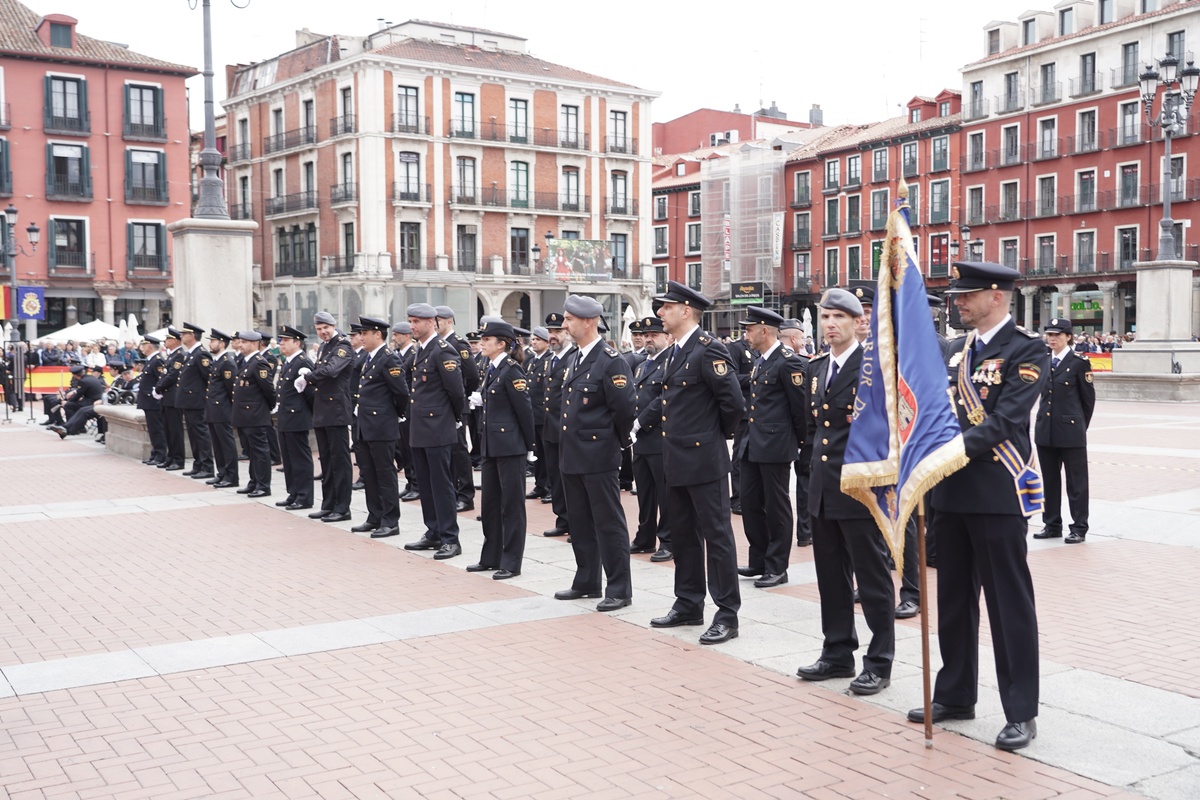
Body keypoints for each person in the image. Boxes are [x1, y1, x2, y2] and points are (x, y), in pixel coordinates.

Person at [908, 261, 1048, 752]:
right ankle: (955, 693)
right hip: (950, 493)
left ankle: (1020, 711)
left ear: (997, 295)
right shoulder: (955, 351)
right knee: (954, 601)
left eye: (968, 295)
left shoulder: (1026, 349)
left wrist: (948, 450)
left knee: (1009, 604)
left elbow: (1008, 420)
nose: (959, 302)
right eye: (957, 296)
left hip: (996, 493)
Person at [796, 289, 895, 697]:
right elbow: (814, 430)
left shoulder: (874, 368)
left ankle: (879, 661)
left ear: (858, 322)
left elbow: (889, 430)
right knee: (831, 579)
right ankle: (837, 651)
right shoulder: (818, 368)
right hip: (824, 488)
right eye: (825, 317)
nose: (830, 324)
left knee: (871, 579)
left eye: (839, 317)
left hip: (860, 489)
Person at [650, 281, 745, 645]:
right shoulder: (675, 352)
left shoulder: (709, 350)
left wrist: (711, 437)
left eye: (666, 307)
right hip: (675, 458)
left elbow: (733, 404)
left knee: (717, 537)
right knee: (684, 535)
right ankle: (688, 601)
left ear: (685, 310)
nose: (660, 313)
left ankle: (727, 614)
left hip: (704, 459)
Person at [553, 295, 636, 611]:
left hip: (598, 456)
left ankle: (619, 588)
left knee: (608, 523)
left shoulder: (610, 359)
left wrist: (609, 443)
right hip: (573, 455)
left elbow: (625, 409)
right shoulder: (575, 357)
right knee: (581, 523)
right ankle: (587, 580)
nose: (564, 324)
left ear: (588, 321)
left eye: (569, 319)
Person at [734, 306, 807, 589]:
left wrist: (797, 443)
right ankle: (759, 559)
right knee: (750, 503)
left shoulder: (788, 362)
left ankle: (777, 566)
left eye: (749, 329)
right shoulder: (760, 360)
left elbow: (799, 409)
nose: (746, 335)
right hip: (753, 442)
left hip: (776, 444)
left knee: (776, 506)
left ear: (765, 331)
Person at [467, 320, 535, 579]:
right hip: (492, 446)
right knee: (491, 504)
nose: (482, 343)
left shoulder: (512, 371)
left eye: (486, 340)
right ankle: (490, 556)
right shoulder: (491, 368)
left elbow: (524, 411)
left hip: (510, 447)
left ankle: (511, 561)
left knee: (512, 506)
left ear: (501, 344)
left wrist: (530, 446)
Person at [403, 303, 467, 560]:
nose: (412, 326)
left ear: (432, 322)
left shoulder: (442, 351)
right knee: (426, 485)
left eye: (417, 321)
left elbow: (456, 392)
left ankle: (450, 538)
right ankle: (434, 532)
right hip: (420, 427)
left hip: (438, 427)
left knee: (441, 484)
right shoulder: (421, 350)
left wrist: (451, 419)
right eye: (410, 321)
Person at [1033, 318, 1095, 544]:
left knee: (1076, 483)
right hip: (1045, 431)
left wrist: (1078, 425)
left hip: (1070, 432)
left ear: (1068, 337)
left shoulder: (1079, 363)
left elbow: (1088, 401)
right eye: (1049, 335)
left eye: (1057, 335)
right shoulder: (1042, 361)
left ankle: (1079, 527)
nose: (1052, 339)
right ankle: (1051, 524)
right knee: (1049, 480)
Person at [350, 317, 409, 538]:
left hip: (382, 426)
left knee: (385, 474)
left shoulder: (388, 359)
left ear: (378, 334)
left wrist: (394, 414)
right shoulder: (369, 358)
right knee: (370, 473)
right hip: (366, 425)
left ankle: (390, 521)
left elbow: (401, 393)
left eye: (365, 334)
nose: (361, 337)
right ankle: (374, 516)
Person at [297, 312, 355, 524]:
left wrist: (308, 377)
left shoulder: (343, 346)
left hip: (337, 411)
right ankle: (328, 504)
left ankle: (342, 508)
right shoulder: (324, 347)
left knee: (340, 461)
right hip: (323, 410)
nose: (322, 332)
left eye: (325, 328)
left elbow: (331, 371)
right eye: (319, 329)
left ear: (333, 325)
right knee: (327, 461)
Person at [629, 315, 672, 562]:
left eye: (654, 335)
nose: (648, 339)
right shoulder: (641, 365)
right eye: (646, 336)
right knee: (645, 492)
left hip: (659, 437)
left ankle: (668, 540)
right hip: (640, 440)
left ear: (667, 337)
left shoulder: (670, 363)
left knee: (665, 493)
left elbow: (662, 400)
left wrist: (640, 421)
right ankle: (645, 536)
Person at [435, 306, 481, 512]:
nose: (435, 323)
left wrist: (462, 396)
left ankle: (466, 495)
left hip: (457, 404)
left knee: (459, 450)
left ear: (449, 321)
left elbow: (472, 375)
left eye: (439, 320)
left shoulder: (458, 343)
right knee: (447, 451)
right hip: (443, 406)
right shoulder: (437, 344)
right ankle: (453, 491)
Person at [779, 318, 813, 547]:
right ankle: (805, 531)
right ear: (794, 338)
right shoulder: (798, 362)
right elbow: (801, 404)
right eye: (800, 338)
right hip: (798, 433)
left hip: (778, 436)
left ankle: (803, 532)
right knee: (804, 482)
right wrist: (804, 436)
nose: (802, 342)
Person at [540, 312, 575, 537]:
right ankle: (562, 519)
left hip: (568, 429)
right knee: (555, 477)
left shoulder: (573, 357)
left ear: (567, 333)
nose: (553, 336)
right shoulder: (549, 360)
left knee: (570, 479)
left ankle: (575, 522)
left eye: (558, 332)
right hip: (550, 428)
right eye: (550, 332)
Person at [231, 330, 276, 498]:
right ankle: (254, 482)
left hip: (255, 415)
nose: (240, 345)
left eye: (244, 342)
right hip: (245, 415)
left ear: (254, 343)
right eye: (240, 342)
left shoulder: (259, 363)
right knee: (250, 451)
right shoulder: (246, 361)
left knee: (260, 451)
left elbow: (269, 390)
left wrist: (266, 408)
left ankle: (263, 486)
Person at [275, 326, 316, 510]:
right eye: (281, 340)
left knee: (300, 459)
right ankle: (293, 492)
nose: (281, 343)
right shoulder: (289, 362)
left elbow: (311, 392)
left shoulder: (303, 363)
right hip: (286, 416)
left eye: (285, 340)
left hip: (297, 417)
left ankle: (304, 496)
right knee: (289, 459)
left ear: (297, 342)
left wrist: (304, 412)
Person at [175, 323, 215, 480]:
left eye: (184, 334)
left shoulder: (201, 354)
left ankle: (207, 466)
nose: (181, 336)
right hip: (189, 401)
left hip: (197, 401)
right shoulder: (191, 354)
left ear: (192, 336)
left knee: (201, 434)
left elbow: (209, 378)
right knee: (193, 433)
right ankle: (198, 464)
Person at [204, 330, 240, 489]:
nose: (210, 344)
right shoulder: (217, 361)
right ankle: (222, 473)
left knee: (226, 444)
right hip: (213, 410)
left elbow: (232, 389)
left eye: (213, 341)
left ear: (222, 343)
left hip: (222, 410)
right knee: (217, 445)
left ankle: (231, 476)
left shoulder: (227, 362)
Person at [725, 334, 754, 515]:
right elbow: (732, 377)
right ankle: (737, 498)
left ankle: (750, 497)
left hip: (759, 412)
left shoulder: (758, 349)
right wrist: (753, 377)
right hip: (745, 412)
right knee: (739, 457)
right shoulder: (736, 349)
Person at [391, 322, 418, 502]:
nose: (393, 338)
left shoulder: (413, 354)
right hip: (401, 408)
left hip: (410, 406)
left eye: (397, 335)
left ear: (406, 335)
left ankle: (417, 484)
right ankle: (410, 482)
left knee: (411, 448)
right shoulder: (399, 354)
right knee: (404, 448)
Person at [153, 328, 187, 470]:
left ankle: (178, 459)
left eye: (167, 339)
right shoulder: (171, 355)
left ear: (174, 341)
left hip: (173, 398)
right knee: (168, 429)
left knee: (175, 430)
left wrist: (158, 388)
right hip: (166, 398)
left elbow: (172, 375)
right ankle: (170, 457)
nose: (165, 342)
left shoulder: (179, 355)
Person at [525, 326, 552, 500]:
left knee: (548, 453)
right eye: (533, 339)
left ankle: (549, 486)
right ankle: (540, 484)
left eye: (538, 340)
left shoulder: (549, 360)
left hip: (545, 414)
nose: (533, 342)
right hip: (533, 414)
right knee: (538, 453)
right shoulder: (531, 361)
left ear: (547, 342)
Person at [47, 365, 106, 438]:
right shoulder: (91, 378)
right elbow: (80, 392)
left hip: (92, 402)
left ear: (75, 375)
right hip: (93, 400)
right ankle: (73, 427)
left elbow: (78, 395)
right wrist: (73, 394)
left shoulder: (83, 381)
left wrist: (66, 401)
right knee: (73, 406)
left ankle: (72, 429)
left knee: (69, 405)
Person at [136, 335, 168, 466]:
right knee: (153, 429)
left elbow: (161, 379)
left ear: (149, 346)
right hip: (148, 401)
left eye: (144, 345)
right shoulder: (151, 360)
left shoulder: (157, 360)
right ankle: (155, 453)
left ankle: (160, 455)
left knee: (157, 429)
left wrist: (155, 393)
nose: (142, 348)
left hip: (153, 400)